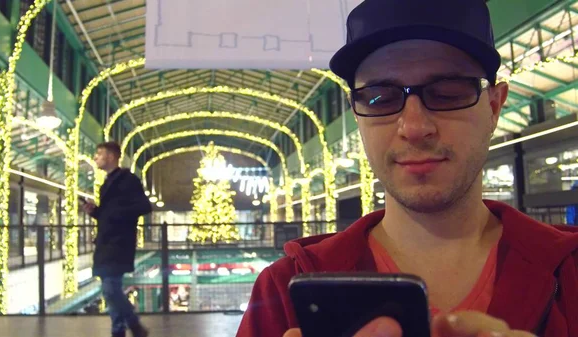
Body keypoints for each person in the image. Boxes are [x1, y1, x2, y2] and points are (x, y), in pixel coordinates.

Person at [237, 0, 578, 336]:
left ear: (494, 106)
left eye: (448, 92)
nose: (414, 127)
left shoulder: (571, 273)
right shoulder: (284, 291)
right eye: (379, 98)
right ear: (357, 114)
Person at [82, 141, 152, 337]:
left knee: (111, 288)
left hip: (118, 243)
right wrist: (94, 211)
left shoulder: (127, 180)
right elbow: (107, 215)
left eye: (99, 153)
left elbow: (144, 207)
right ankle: (118, 330)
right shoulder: (107, 183)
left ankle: (134, 324)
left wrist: (114, 213)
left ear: (111, 157)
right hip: (107, 242)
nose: (96, 157)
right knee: (110, 290)